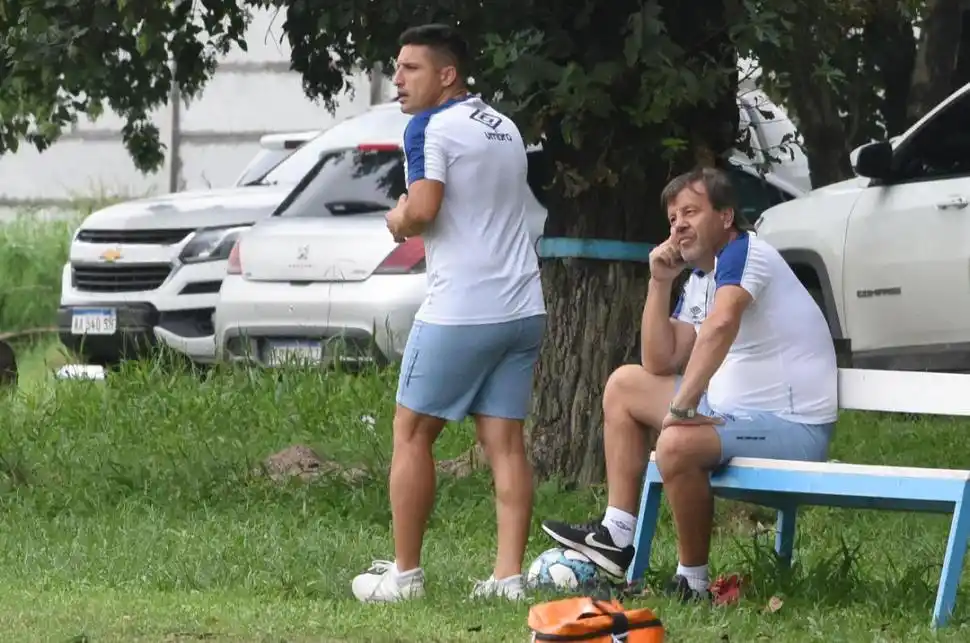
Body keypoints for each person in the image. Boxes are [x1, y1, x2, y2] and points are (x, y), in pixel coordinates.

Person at [540, 167, 837, 601]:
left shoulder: (744, 252)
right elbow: (658, 359)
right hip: (734, 416)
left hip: (792, 428)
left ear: (726, 216)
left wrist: (682, 409)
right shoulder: (701, 279)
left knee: (677, 441)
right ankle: (617, 535)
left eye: (691, 212)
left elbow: (721, 325)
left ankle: (692, 583)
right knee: (625, 385)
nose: (678, 224)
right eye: (673, 218)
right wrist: (660, 283)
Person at [351, 24, 546, 603]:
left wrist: (397, 219)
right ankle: (508, 579)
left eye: (410, 69)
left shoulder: (427, 127)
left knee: (411, 432)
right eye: (396, 67)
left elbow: (427, 209)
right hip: (522, 306)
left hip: (462, 308)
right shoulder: (503, 126)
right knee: (505, 442)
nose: (398, 79)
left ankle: (405, 577)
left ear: (447, 74)